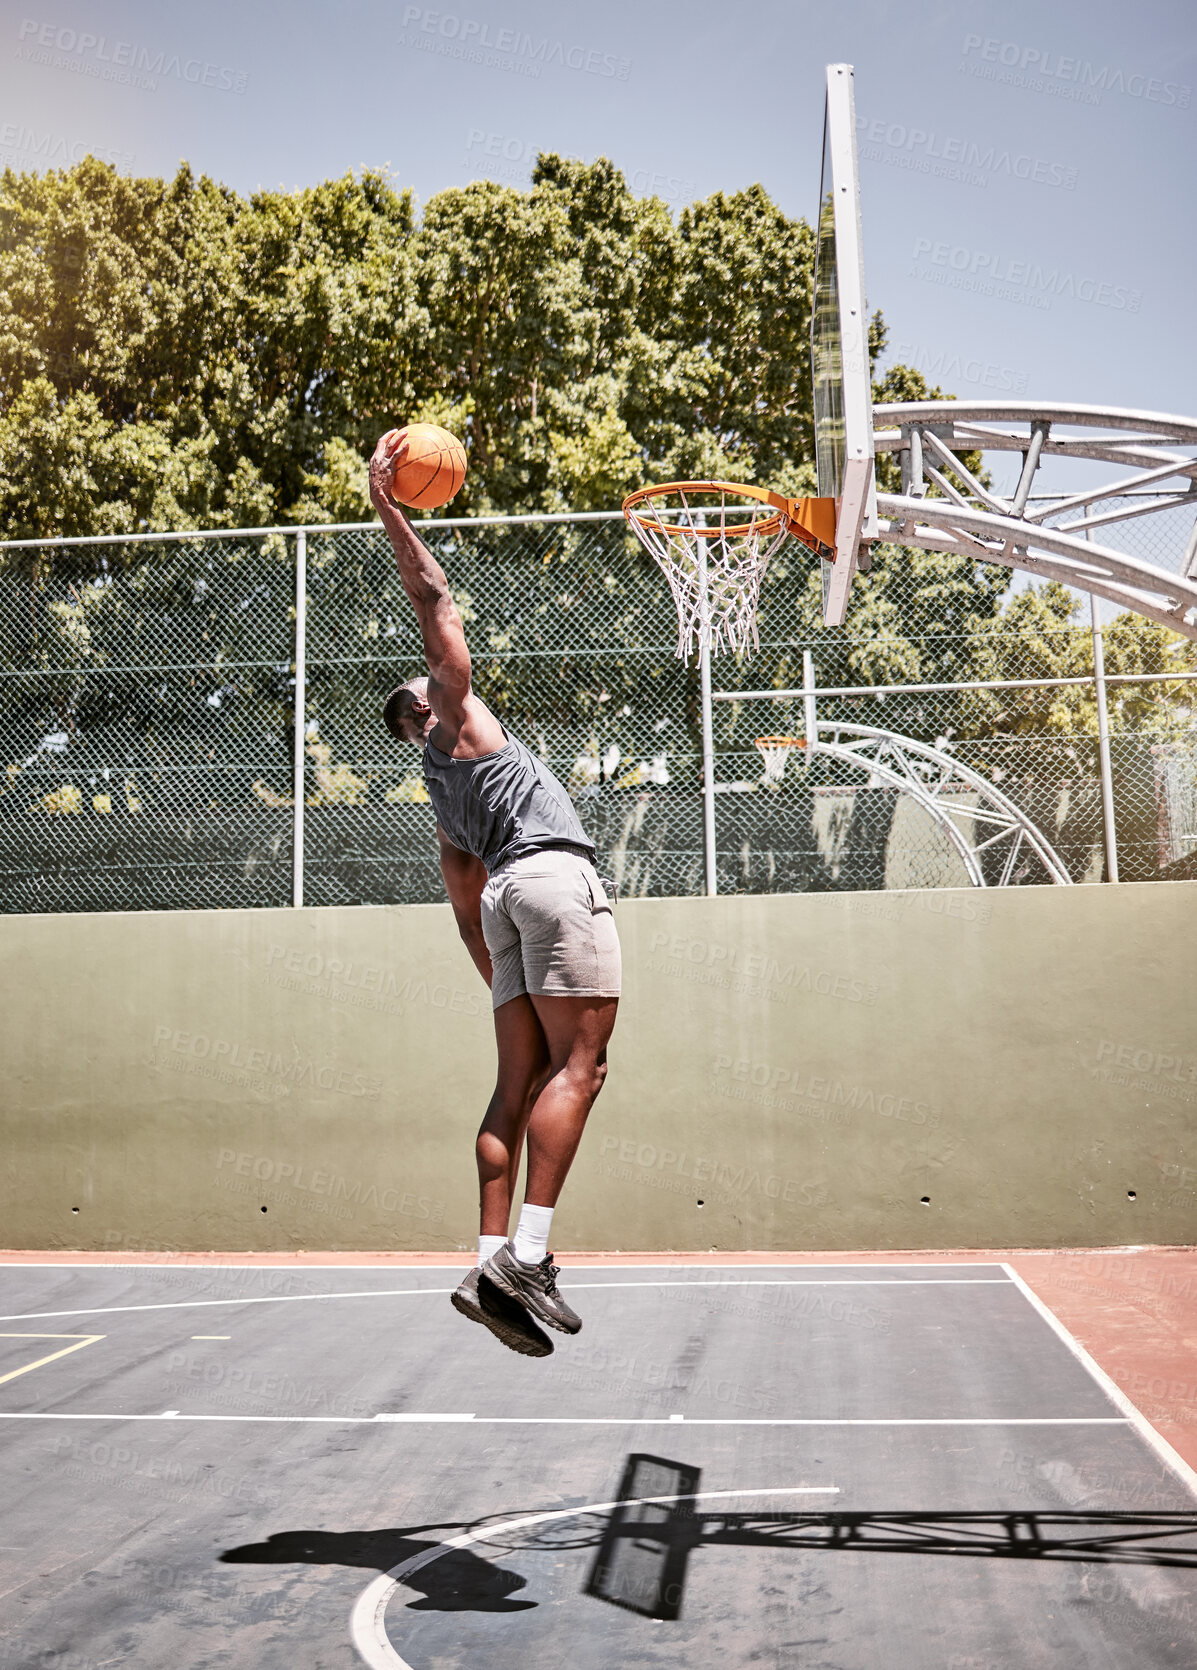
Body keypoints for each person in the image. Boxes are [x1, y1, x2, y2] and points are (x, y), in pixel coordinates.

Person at [371, 430, 620, 1358]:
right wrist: (389, 505)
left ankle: (487, 1262)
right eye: (435, 685)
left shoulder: (441, 792)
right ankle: (532, 1254)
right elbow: (434, 597)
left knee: (514, 1080)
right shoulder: (460, 712)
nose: (447, 684)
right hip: (553, 877)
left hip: (503, 907)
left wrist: (498, 979)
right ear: (430, 707)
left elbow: (460, 894)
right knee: (581, 1069)